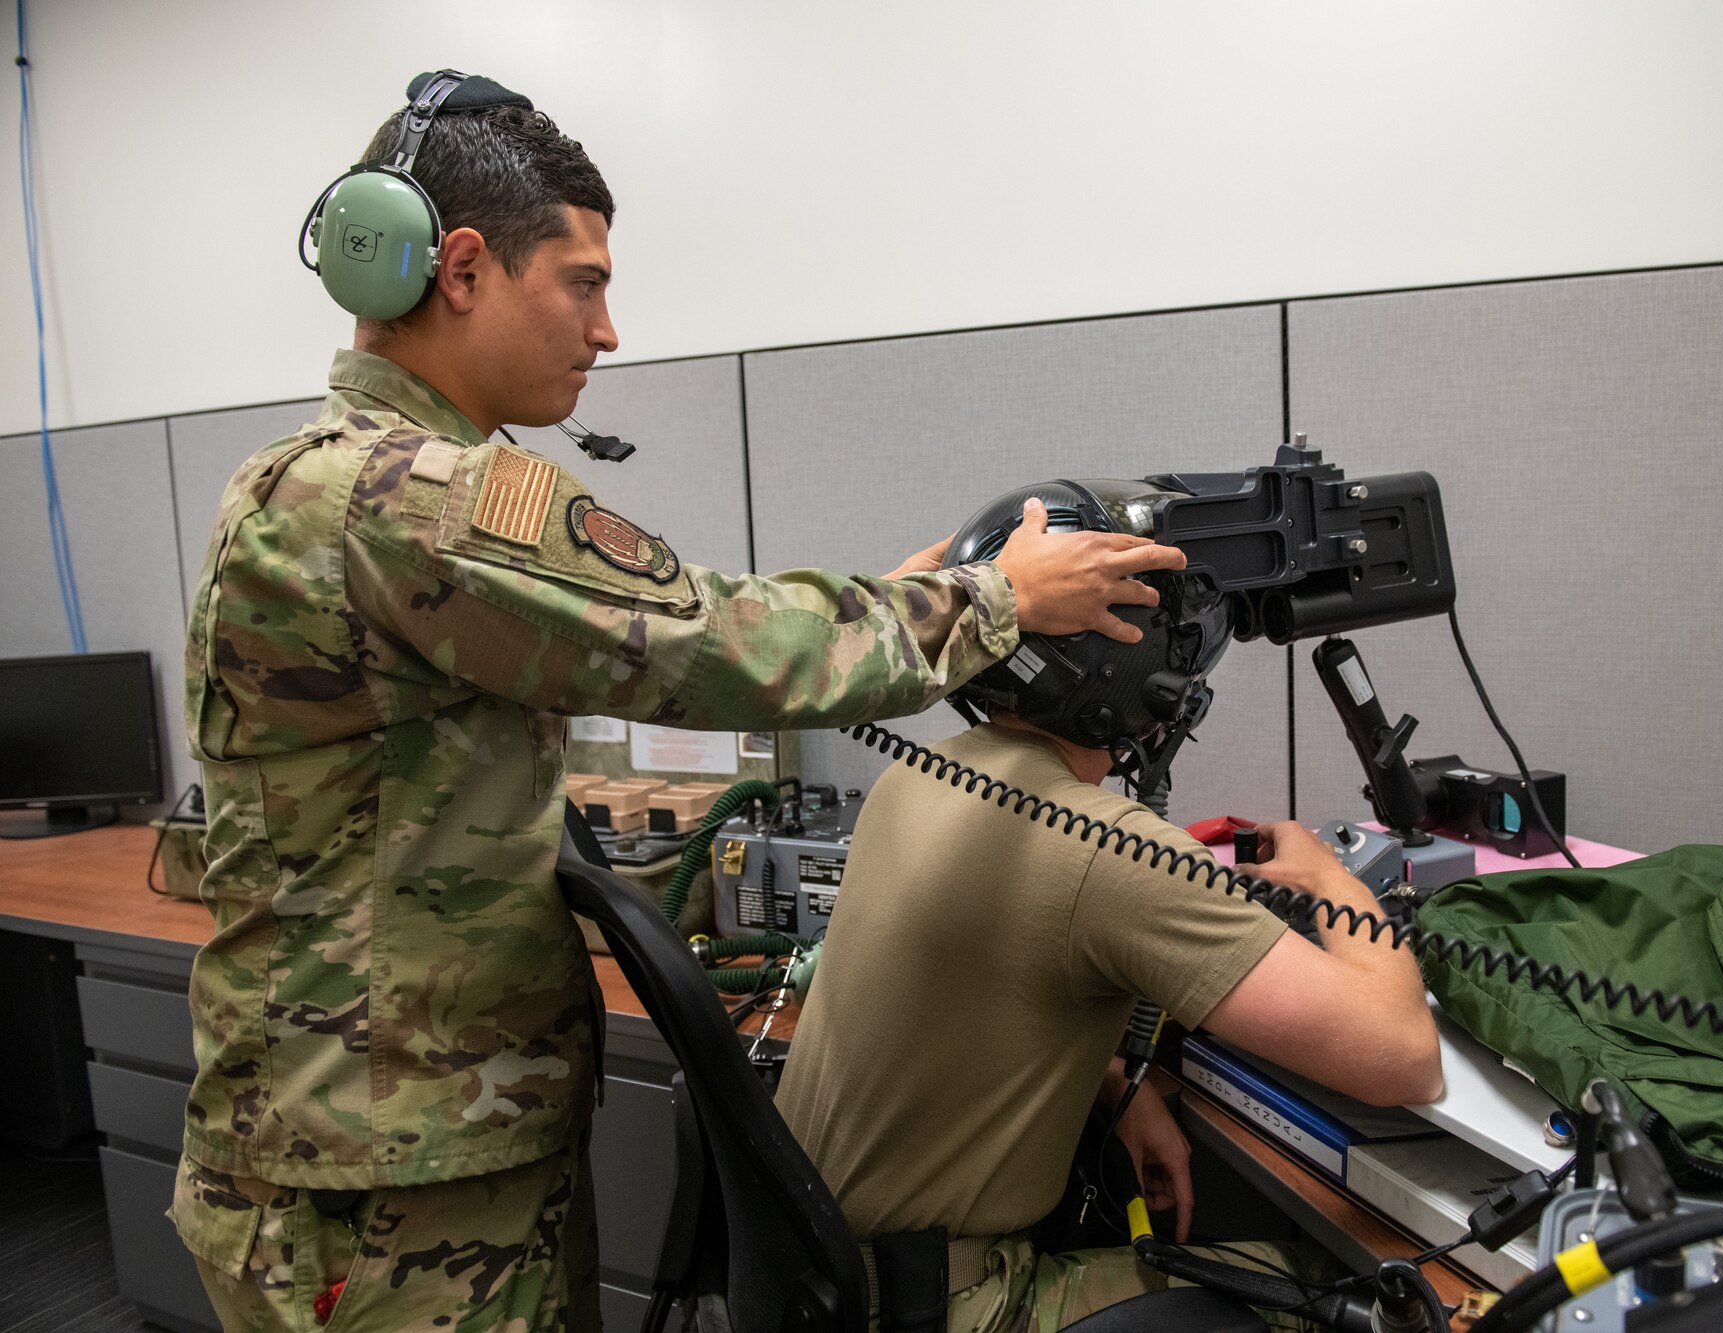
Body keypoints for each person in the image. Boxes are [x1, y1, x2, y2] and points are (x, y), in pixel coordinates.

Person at [173, 75, 1184, 1333]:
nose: (606, 331)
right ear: (466, 269)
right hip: (393, 1173)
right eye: (585, 282)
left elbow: (679, 620)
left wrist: (908, 593)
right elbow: (700, 644)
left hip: (385, 1129)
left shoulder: (312, 479)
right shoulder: (417, 499)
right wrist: (994, 601)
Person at [776, 478, 1444, 1332]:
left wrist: (1116, 1080)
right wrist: (1334, 879)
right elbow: (1401, 1056)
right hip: (952, 1306)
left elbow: (982, 981)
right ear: (1132, 673)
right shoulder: (1104, 846)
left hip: (825, 1284)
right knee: (1375, 1300)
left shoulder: (914, 780)